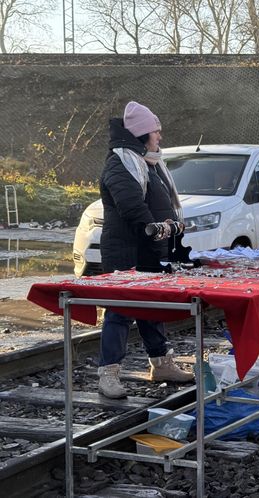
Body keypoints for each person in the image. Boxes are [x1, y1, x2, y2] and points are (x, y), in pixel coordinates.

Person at [97, 101, 193, 399]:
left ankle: (160, 362)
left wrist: (168, 229)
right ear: (141, 135)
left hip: (149, 248)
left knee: (152, 306)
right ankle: (108, 372)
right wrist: (156, 227)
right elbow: (131, 205)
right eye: (156, 132)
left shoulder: (148, 163)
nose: (160, 137)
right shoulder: (120, 163)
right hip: (126, 250)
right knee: (120, 310)